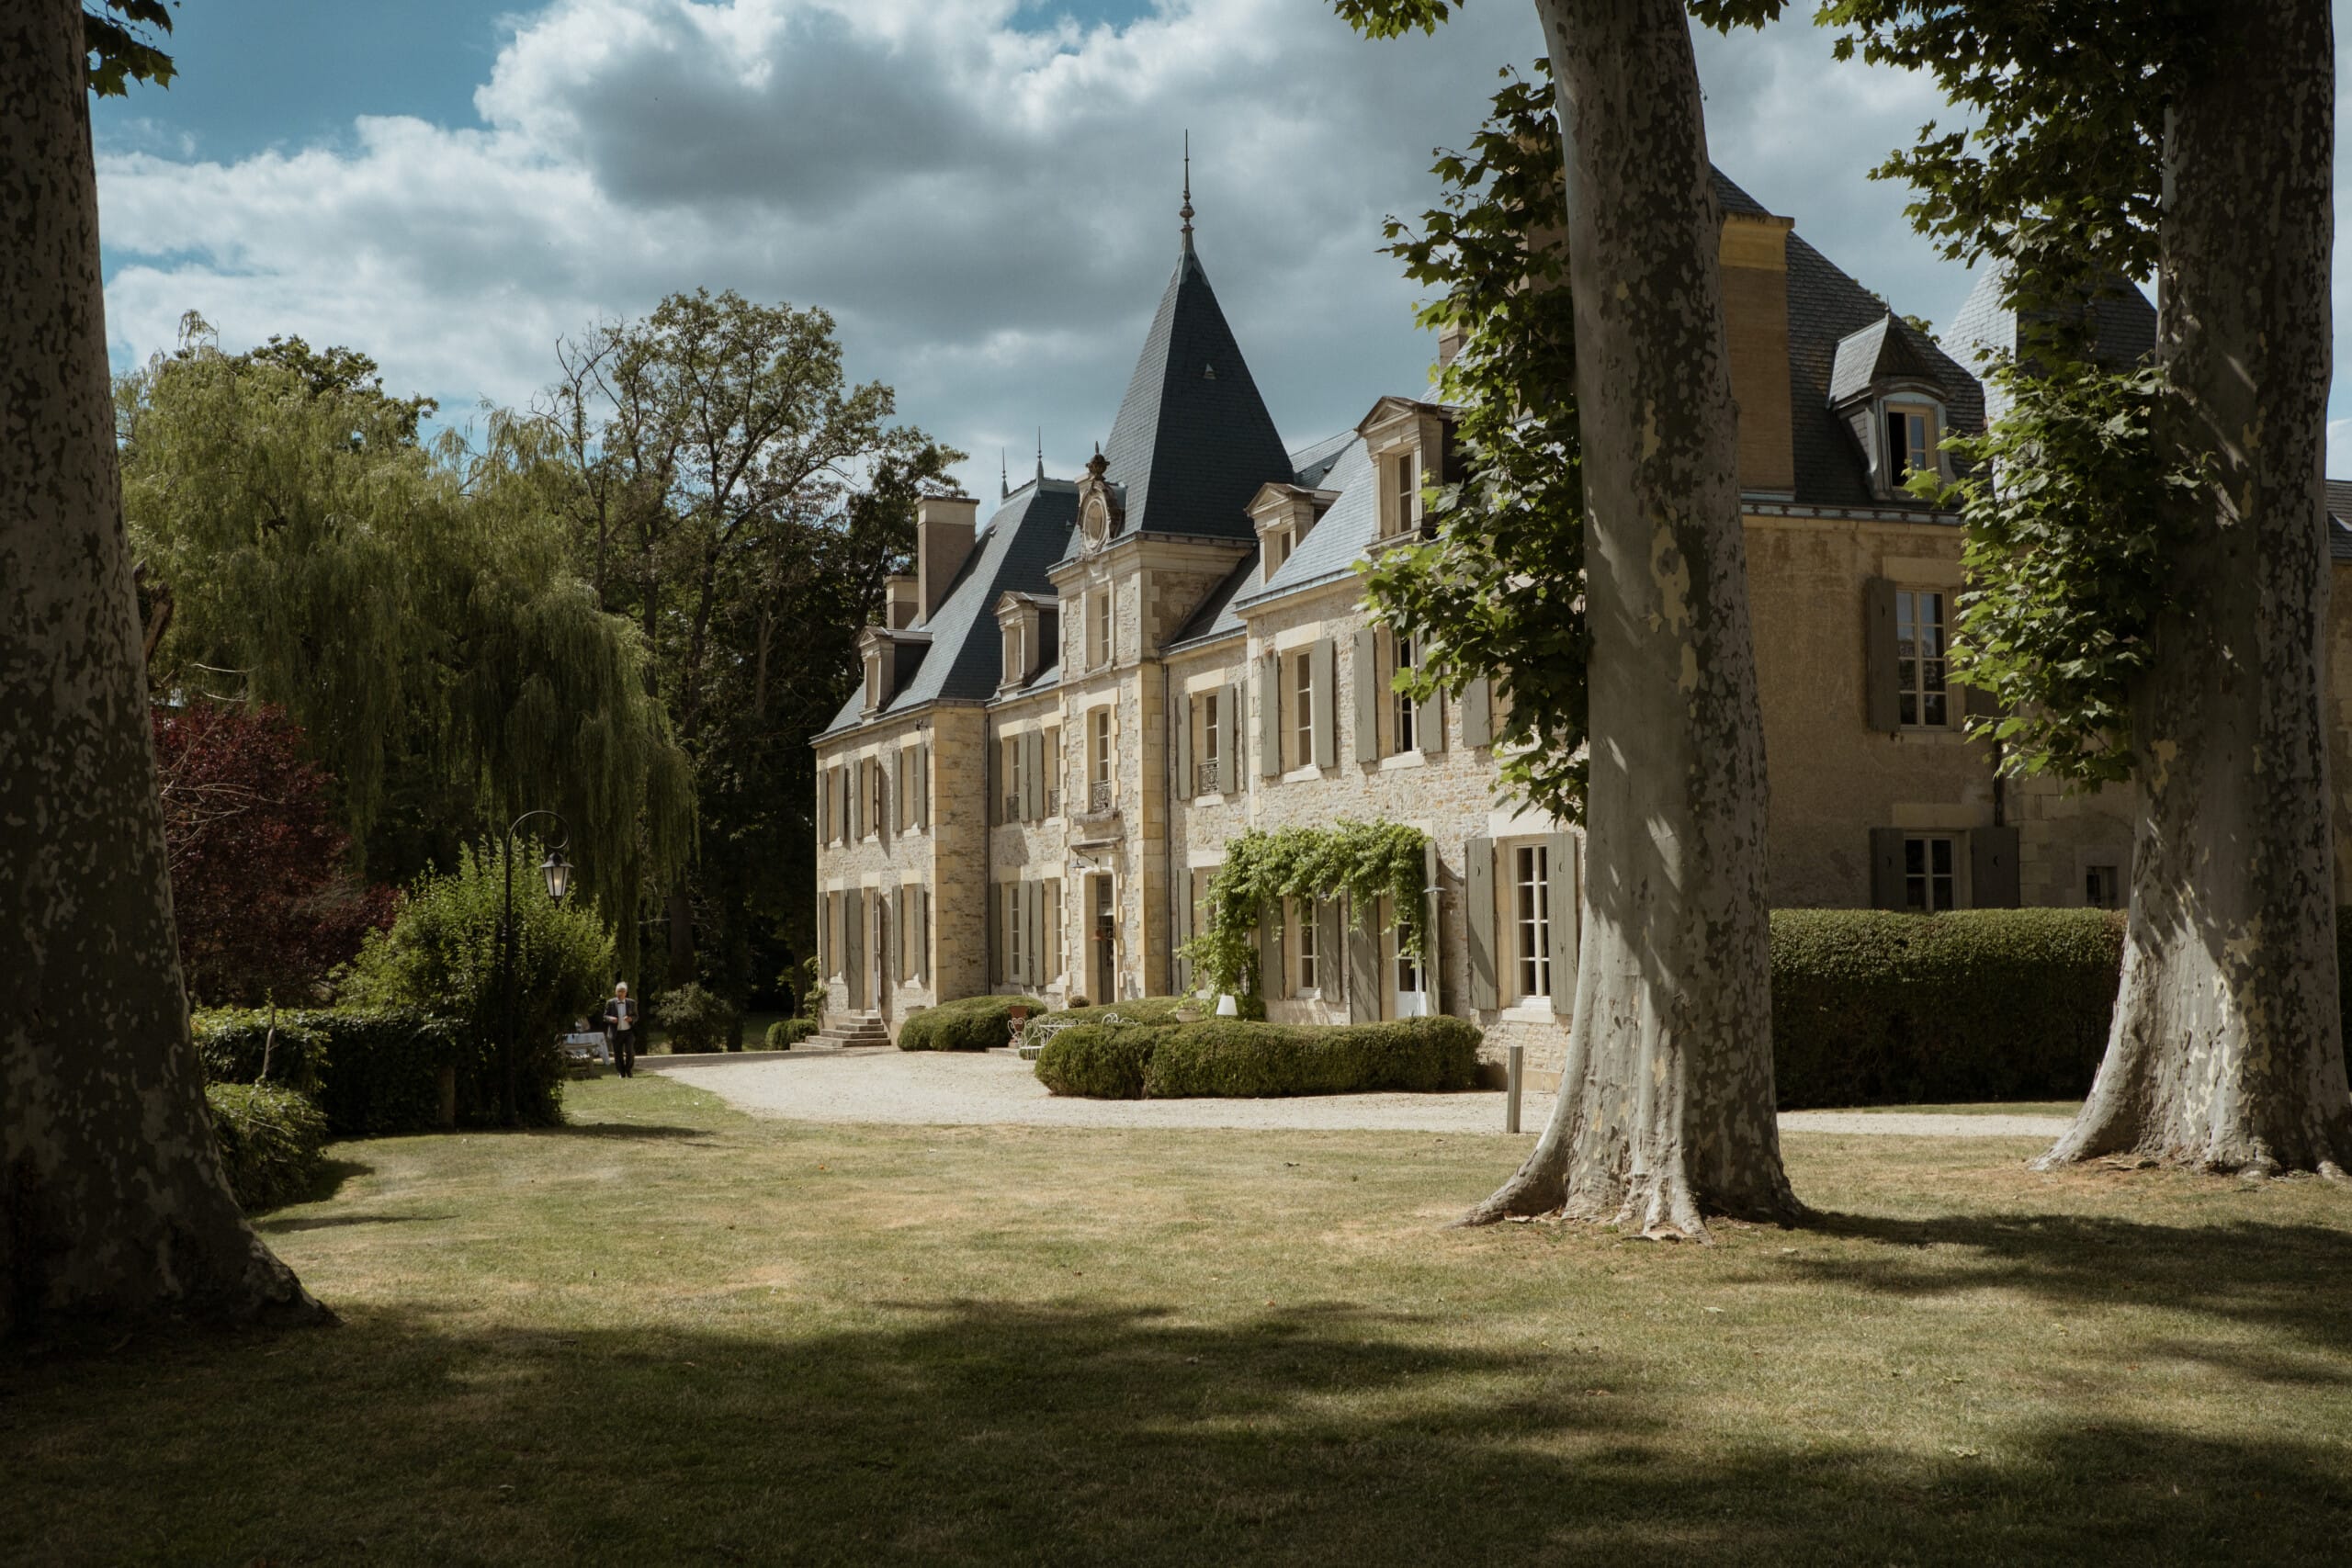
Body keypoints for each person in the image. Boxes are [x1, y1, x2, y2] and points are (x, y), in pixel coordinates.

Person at [602, 981, 637, 1078]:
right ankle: (621, 1072)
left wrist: (631, 1019)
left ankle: (629, 1070)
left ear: (626, 992)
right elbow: (604, 1016)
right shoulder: (610, 1003)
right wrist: (611, 1019)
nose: (620, 993)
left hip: (628, 1031)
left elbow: (636, 1016)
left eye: (622, 991)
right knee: (618, 1054)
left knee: (630, 1051)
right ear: (615, 992)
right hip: (616, 1032)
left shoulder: (631, 1003)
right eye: (619, 991)